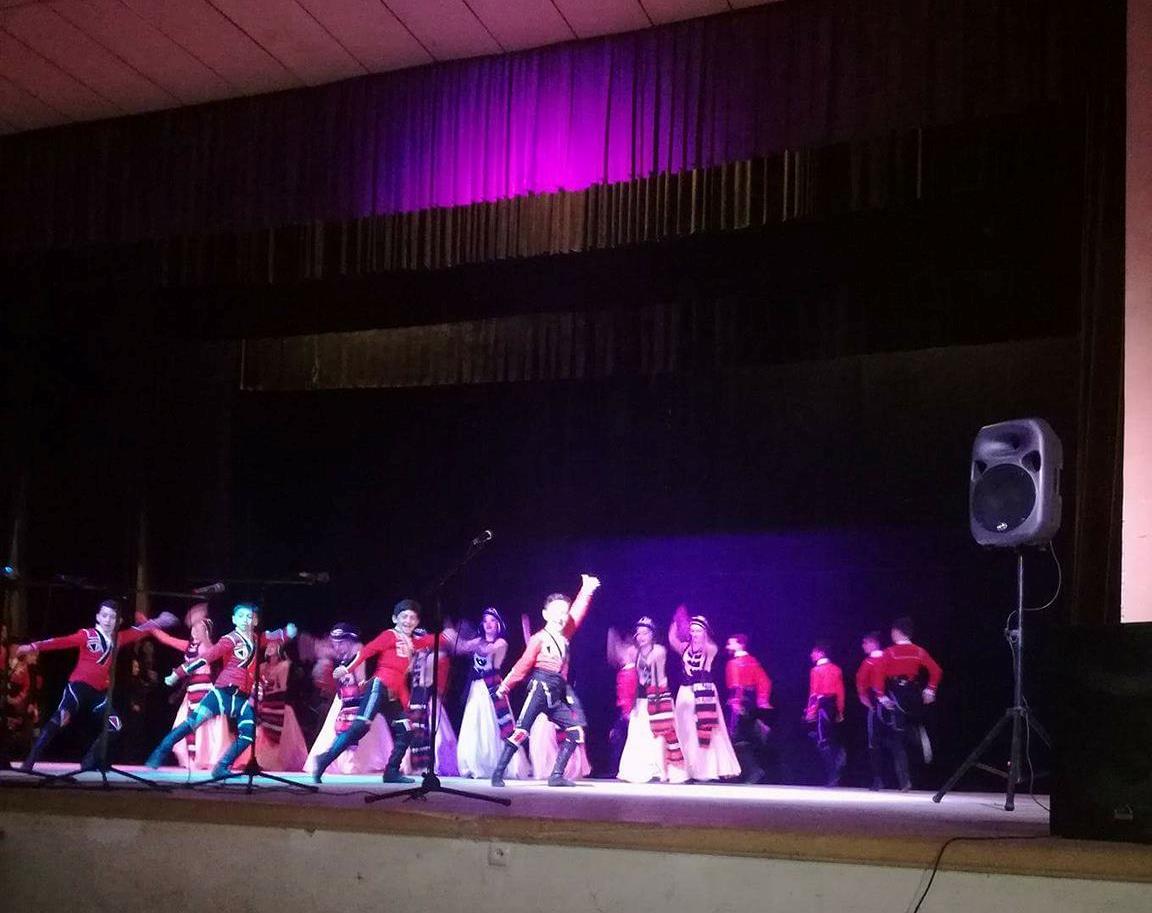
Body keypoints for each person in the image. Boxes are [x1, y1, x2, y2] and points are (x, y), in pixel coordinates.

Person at [16, 599, 176, 771]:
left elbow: (140, 631)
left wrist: (160, 621)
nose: (108, 620)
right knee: (61, 718)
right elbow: (61, 641)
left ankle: (88, 762)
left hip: (98, 694)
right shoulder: (87, 635)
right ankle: (29, 762)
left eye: (112, 617)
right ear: (98, 617)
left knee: (115, 726)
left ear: (118, 621)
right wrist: (32, 647)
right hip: (78, 687)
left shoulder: (118, 638)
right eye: (104, 615)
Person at [145, 603, 297, 779]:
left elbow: (270, 636)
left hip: (241, 698)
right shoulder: (230, 639)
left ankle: (222, 766)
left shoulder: (255, 638)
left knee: (248, 735)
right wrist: (178, 673)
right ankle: (160, 751)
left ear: (255, 621)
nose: (245, 620)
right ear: (234, 620)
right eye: (241, 616)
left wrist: (287, 633)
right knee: (191, 724)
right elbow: (207, 657)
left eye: (249, 617)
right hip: (222, 693)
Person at [311, 599, 454, 784]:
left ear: (417, 622)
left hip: (392, 695)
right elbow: (367, 651)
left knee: (406, 730)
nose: (408, 621)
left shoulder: (412, 642)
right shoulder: (390, 635)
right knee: (359, 728)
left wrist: (447, 634)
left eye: (412, 618)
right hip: (378, 688)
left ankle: (391, 771)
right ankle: (323, 760)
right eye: (404, 616)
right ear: (395, 618)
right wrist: (347, 669)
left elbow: (431, 640)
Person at [489, 574, 600, 787]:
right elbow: (523, 664)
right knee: (521, 731)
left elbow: (577, 612)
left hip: (558, 690)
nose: (561, 616)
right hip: (540, 688)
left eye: (564, 612)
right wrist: (505, 686)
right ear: (545, 614)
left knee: (576, 730)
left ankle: (556, 775)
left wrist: (587, 590)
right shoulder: (539, 638)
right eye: (556, 612)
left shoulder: (565, 635)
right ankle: (498, 773)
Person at [305, 623, 393, 775]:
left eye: (341, 643)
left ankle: (352, 763)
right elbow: (322, 651)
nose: (337, 647)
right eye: (335, 643)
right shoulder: (342, 654)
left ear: (350, 641)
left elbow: (360, 679)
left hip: (355, 698)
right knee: (332, 731)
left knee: (359, 729)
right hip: (343, 698)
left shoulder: (358, 652)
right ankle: (329, 762)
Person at [150, 603, 228, 770]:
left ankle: (203, 759)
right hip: (191, 690)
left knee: (203, 727)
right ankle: (191, 761)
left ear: (206, 632)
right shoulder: (189, 646)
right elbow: (166, 639)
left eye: (199, 628)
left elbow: (202, 655)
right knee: (185, 724)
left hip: (205, 690)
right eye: (193, 628)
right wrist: (148, 624)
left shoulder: (209, 647)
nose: (195, 630)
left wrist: (200, 620)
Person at [455, 608, 529, 780]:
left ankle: (498, 765)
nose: (488, 624)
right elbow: (459, 648)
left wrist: (472, 642)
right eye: (485, 621)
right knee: (474, 724)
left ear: (498, 625)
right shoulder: (478, 641)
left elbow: (487, 651)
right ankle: (474, 764)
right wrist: (453, 634)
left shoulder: (501, 643)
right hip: (476, 688)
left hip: (492, 687)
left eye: (492, 621)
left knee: (494, 725)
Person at [668, 607, 740, 781]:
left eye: (698, 631)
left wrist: (699, 626)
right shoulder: (685, 647)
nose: (694, 634)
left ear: (705, 632)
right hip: (685, 692)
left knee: (706, 730)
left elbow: (706, 649)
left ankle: (706, 769)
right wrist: (676, 621)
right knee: (685, 731)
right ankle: (687, 769)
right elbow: (672, 639)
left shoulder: (711, 648)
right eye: (692, 631)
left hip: (704, 691)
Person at [871, 616, 943, 789]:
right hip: (914, 694)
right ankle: (918, 735)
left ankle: (904, 781)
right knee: (909, 726)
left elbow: (878, 676)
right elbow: (936, 670)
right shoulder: (919, 651)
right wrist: (930, 690)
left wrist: (881, 697)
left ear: (897, 632)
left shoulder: (889, 652)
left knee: (897, 738)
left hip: (897, 695)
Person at [616, 616, 686, 783]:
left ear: (652, 634)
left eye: (645, 633)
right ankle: (636, 769)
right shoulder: (635, 652)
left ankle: (657, 770)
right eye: (638, 633)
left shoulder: (659, 651)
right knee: (637, 734)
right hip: (641, 698)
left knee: (658, 735)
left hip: (658, 696)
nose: (641, 637)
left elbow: (654, 674)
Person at [401, 630, 458, 777]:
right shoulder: (414, 658)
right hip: (415, 699)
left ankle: (432, 765)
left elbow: (428, 681)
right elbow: (407, 675)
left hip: (428, 698)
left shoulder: (434, 657)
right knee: (413, 732)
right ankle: (414, 765)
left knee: (434, 734)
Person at [725, 633, 774, 784]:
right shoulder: (753, 661)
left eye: (731, 643)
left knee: (736, 737)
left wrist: (736, 703)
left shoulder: (734, 663)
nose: (728, 646)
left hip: (739, 702)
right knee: (742, 736)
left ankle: (753, 771)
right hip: (750, 702)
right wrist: (762, 700)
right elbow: (765, 681)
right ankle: (758, 727)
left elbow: (736, 685)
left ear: (740, 644)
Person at [856, 630, 893, 790]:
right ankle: (883, 779)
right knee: (890, 738)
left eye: (865, 643)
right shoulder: (887, 658)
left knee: (875, 741)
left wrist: (864, 696)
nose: (863, 646)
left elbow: (861, 681)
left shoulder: (871, 661)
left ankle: (879, 779)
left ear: (873, 643)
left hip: (879, 701)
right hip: (888, 700)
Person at [805, 641, 846, 787]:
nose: (811, 654)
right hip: (833, 705)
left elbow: (814, 693)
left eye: (814, 652)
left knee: (823, 741)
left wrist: (810, 711)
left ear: (821, 653)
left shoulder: (816, 670)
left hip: (822, 706)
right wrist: (840, 710)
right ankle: (838, 757)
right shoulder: (836, 669)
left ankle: (833, 774)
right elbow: (840, 691)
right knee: (829, 737)